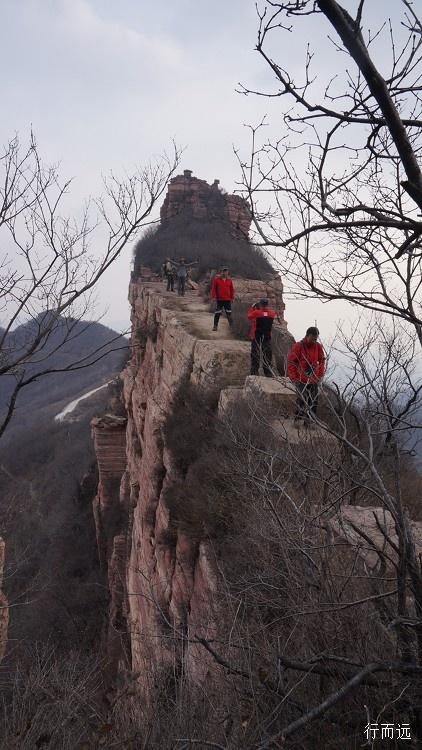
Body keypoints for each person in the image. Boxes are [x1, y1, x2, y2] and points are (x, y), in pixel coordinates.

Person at [287, 326, 326, 423]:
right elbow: (292, 362)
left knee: (313, 402)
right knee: (301, 401)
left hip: (313, 379)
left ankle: (309, 422)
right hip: (301, 379)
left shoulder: (318, 347)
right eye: (313, 338)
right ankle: (298, 421)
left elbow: (321, 361)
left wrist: (320, 375)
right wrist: (293, 377)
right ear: (308, 335)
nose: (314, 341)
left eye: (316, 339)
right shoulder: (298, 346)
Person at [247, 298, 277, 377]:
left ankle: (254, 371)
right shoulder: (272, 313)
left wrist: (252, 308)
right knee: (267, 355)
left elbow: (249, 316)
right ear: (267, 304)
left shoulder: (256, 313)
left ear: (260, 304)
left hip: (256, 336)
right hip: (267, 336)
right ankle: (267, 372)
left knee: (255, 354)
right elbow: (266, 314)